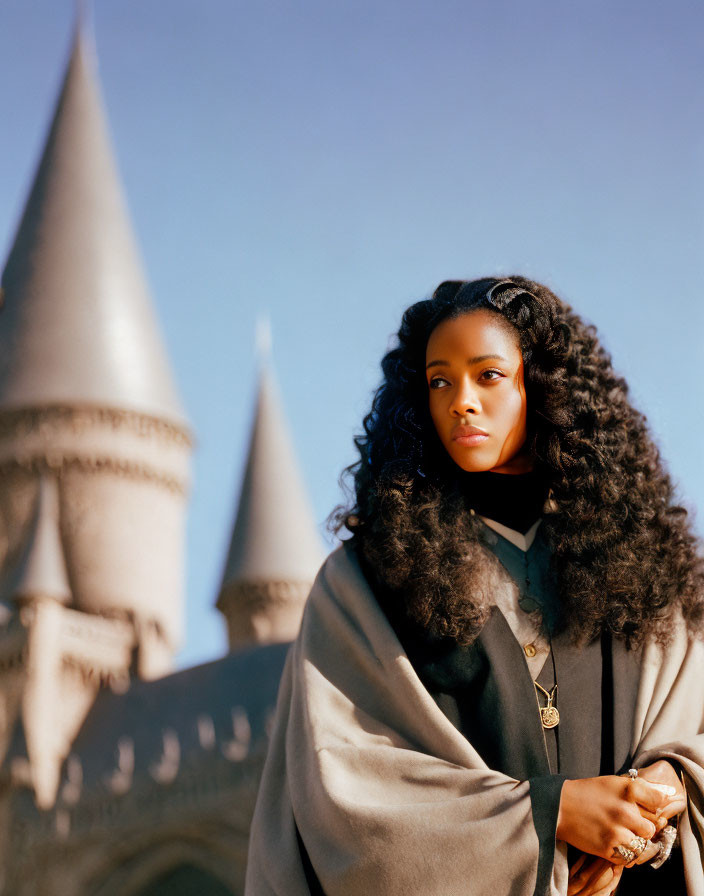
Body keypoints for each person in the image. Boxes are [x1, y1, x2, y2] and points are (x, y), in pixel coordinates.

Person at [245, 277, 704, 896]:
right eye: (440, 380)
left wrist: (665, 791)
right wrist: (552, 816)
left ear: (541, 385)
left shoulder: (649, 567)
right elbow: (343, 791)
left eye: (487, 375)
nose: (461, 401)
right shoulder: (363, 584)